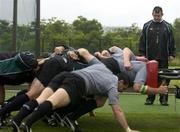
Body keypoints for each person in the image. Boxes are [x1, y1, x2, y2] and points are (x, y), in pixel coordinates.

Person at [10, 48, 139, 132]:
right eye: (123, 88)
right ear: (121, 81)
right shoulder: (113, 85)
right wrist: (128, 129)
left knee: (40, 99)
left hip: (64, 75)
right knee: (52, 103)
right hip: (75, 83)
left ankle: (17, 120)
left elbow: (84, 52)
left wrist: (75, 52)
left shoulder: (101, 65)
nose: (121, 91)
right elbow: (117, 110)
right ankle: (27, 125)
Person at [0, 45, 88, 128]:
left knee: (34, 94)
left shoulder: (87, 62)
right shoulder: (91, 62)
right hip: (57, 66)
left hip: (57, 66)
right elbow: (79, 51)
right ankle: (12, 116)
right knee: (33, 95)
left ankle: (9, 113)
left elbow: (70, 50)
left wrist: (63, 48)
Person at [139, 6, 176, 106]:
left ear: (162, 14)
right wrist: (142, 54)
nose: (156, 17)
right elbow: (142, 41)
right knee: (151, 78)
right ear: (152, 14)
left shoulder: (167, 26)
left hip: (164, 57)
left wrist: (172, 54)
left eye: (158, 15)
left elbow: (172, 41)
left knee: (164, 78)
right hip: (150, 57)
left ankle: (163, 99)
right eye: (155, 15)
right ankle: (150, 98)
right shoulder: (147, 26)